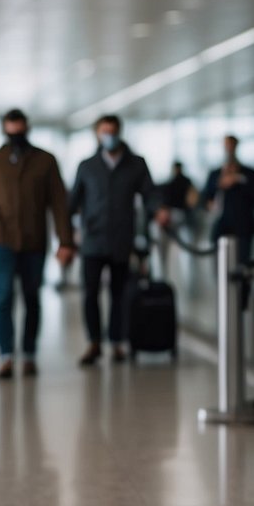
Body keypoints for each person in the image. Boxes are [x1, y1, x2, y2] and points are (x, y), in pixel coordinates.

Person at [0, 109, 73, 379]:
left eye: (19, 131)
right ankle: (6, 356)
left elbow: (59, 204)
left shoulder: (45, 161)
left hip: (34, 239)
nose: (15, 136)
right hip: (0, 239)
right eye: (11, 132)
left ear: (27, 129)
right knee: (4, 297)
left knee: (33, 297)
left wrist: (65, 241)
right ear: (4, 131)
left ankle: (30, 353)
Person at [68, 115, 169, 365]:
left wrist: (159, 209)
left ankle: (116, 342)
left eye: (112, 131)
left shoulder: (136, 164)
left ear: (119, 132)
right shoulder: (87, 166)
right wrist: (65, 238)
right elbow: (72, 201)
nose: (109, 136)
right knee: (90, 293)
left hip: (122, 240)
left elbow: (150, 193)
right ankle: (94, 342)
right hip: (93, 240)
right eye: (104, 132)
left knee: (119, 293)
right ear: (97, 134)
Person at [201, 135, 254, 264]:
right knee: (219, 264)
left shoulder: (249, 174)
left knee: (243, 266)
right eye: (226, 146)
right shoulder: (215, 175)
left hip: (244, 228)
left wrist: (239, 180)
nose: (229, 150)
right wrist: (219, 184)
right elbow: (204, 200)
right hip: (221, 227)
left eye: (231, 146)